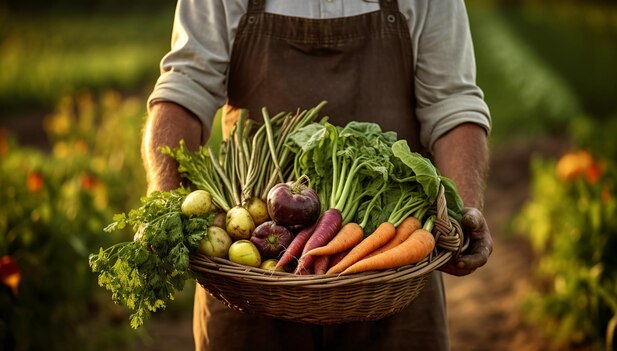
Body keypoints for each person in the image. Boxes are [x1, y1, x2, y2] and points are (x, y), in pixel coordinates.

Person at [142, 0, 493, 350]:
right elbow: (184, 90)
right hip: (251, 270)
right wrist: (165, 208)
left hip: (394, 263)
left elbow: (452, 105)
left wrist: (465, 210)